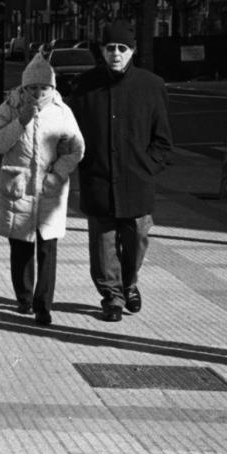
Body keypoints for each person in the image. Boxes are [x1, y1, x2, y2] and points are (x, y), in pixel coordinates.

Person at [68, 20, 175, 323]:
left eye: (122, 48)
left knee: (137, 236)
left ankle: (130, 283)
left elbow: (163, 139)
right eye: (110, 48)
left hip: (136, 181)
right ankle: (111, 296)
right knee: (103, 244)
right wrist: (82, 165)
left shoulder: (151, 86)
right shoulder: (84, 86)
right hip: (98, 178)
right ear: (101, 50)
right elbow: (71, 133)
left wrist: (147, 167)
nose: (116, 53)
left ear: (132, 51)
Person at [0, 54, 85, 326]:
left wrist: (59, 171)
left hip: (50, 188)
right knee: (20, 247)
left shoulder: (62, 112)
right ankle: (24, 297)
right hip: (18, 187)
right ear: (24, 88)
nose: (39, 92)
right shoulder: (10, 107)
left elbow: (77, 149)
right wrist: (20, 121)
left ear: (53, 88)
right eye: (33, 87)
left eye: (45, 87)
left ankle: (44, 306)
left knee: (47, 248)